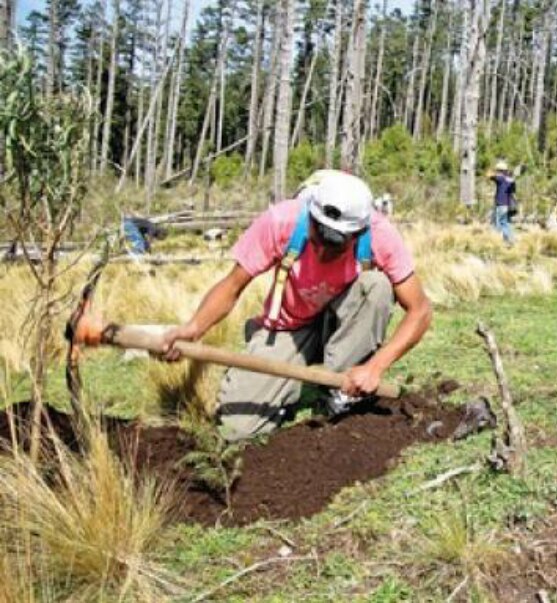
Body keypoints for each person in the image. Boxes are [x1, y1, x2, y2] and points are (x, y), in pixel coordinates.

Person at [161, 170, 433, 441]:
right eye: (318, 239)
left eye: (335, 246)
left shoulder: (380, 234)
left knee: (376, 286)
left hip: (343, 325)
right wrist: (194, 328)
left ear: (358, 232)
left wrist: (375, 367)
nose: (323, 253)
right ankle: (288, 390)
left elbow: (420, 311)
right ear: (310, 216)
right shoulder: (282, 220)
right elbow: (232, 286)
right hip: (288, 328)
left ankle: (339, 388)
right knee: (237, 429)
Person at [489, 160, 516, 244]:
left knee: (501, 223)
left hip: (501, 204)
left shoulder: (500, 178)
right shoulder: (511, 181)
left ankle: (509, 240)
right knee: (507, 222)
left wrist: (493, 170)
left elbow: (489, 175)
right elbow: (513, 191)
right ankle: (509, 239)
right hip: (508, 204)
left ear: (500, 170)